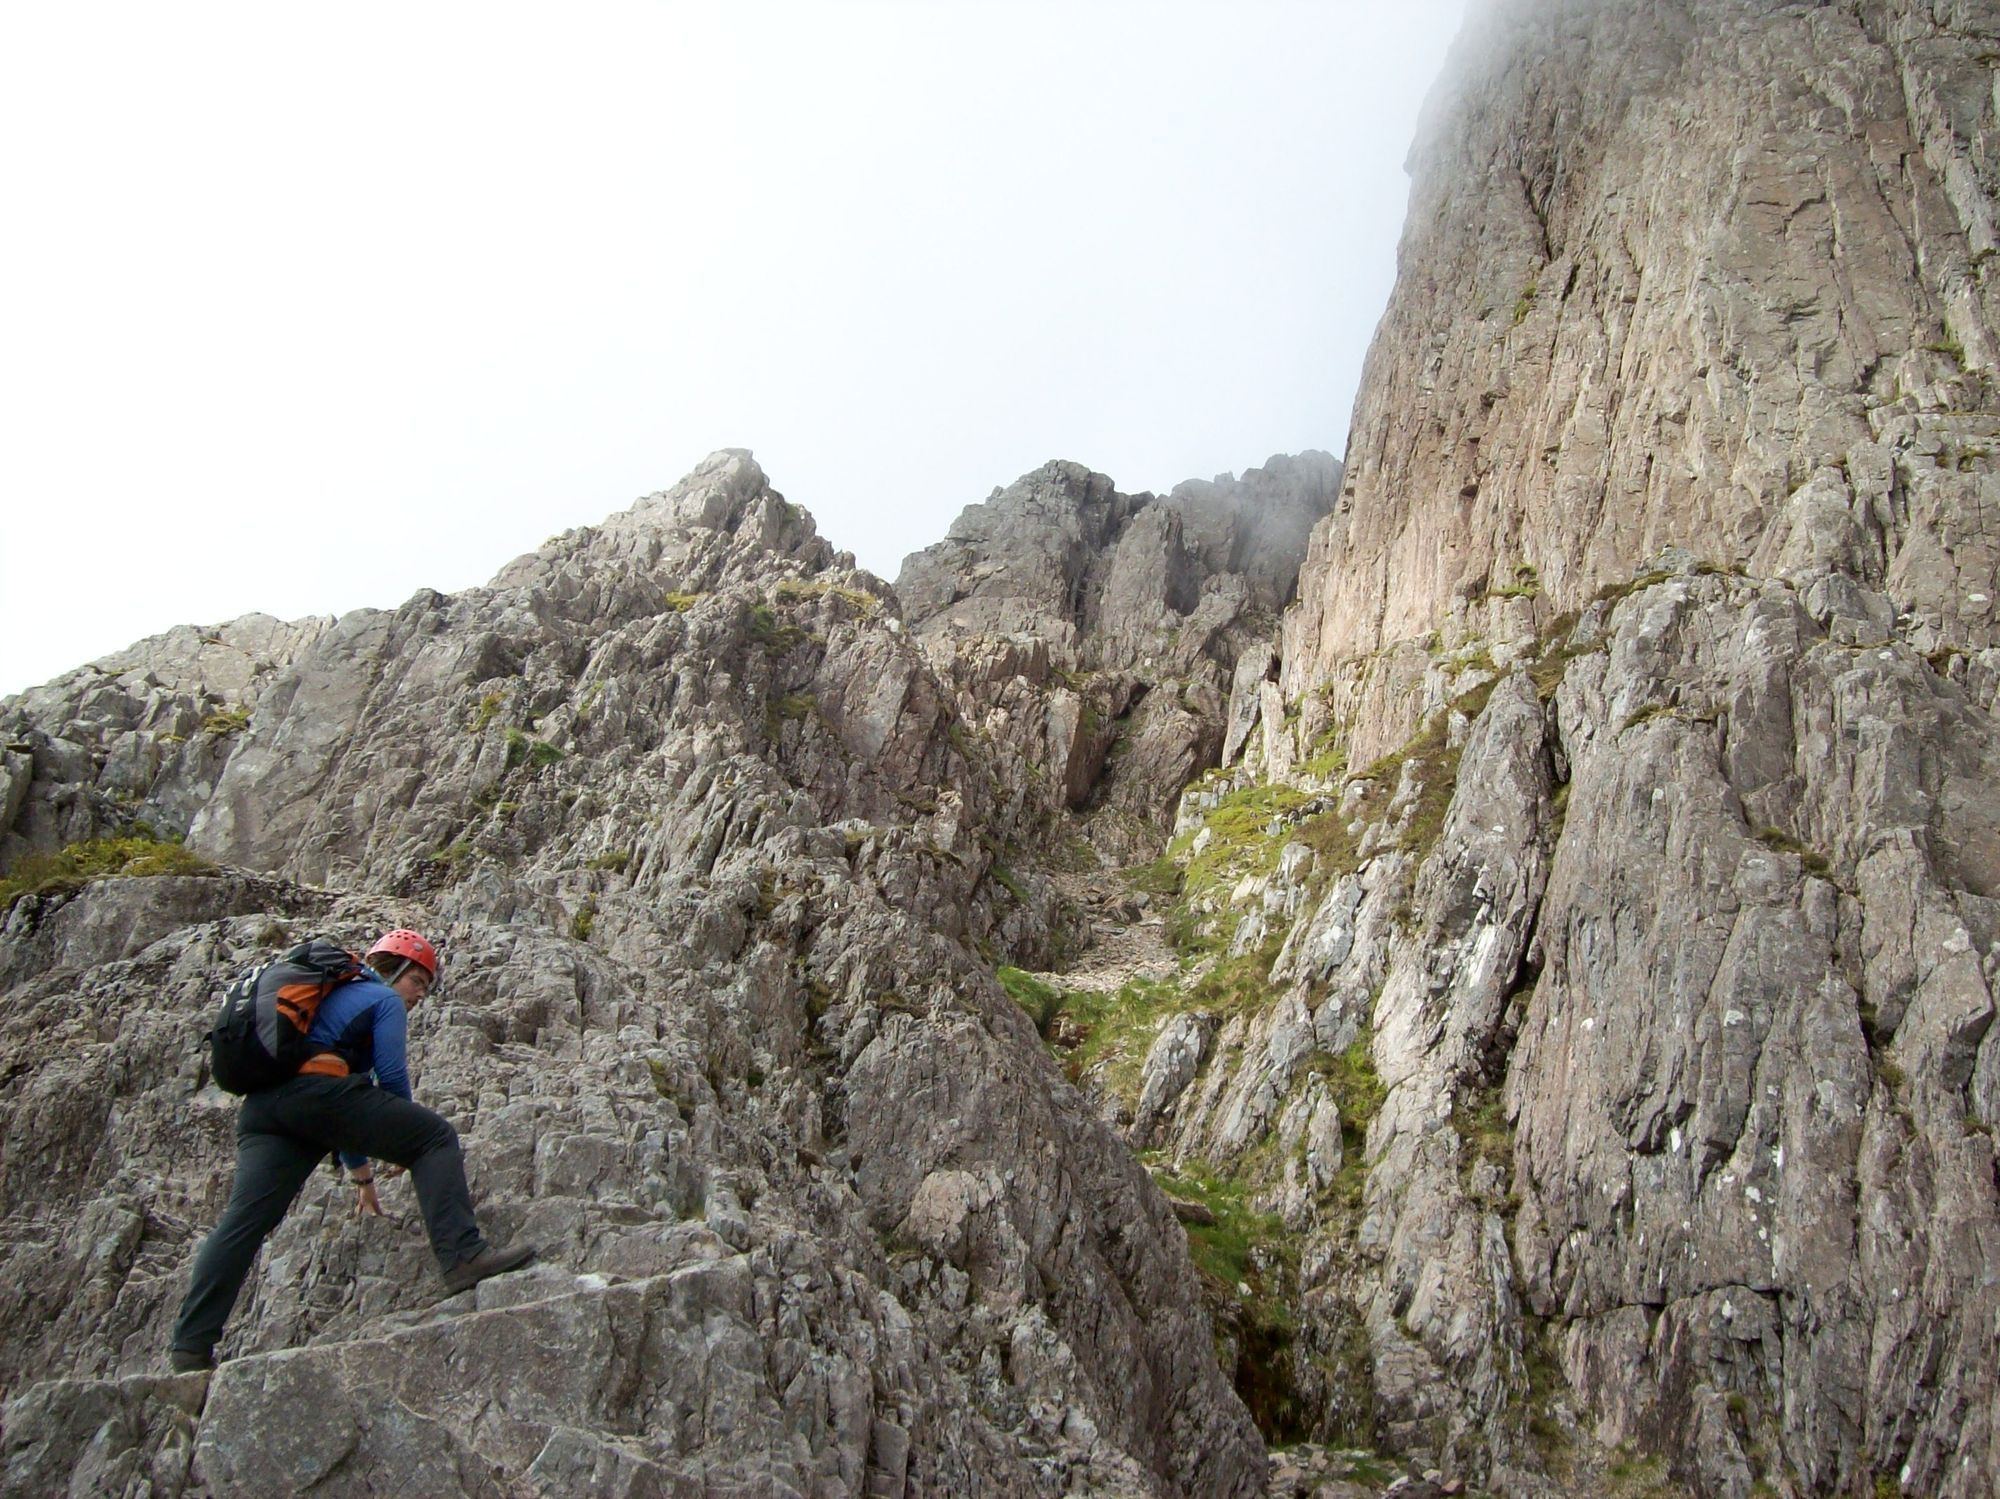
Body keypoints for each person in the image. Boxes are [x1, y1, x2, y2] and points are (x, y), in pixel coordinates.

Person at [167, 928, 534, 1373]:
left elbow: (341, 1110)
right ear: (394, 969)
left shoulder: (332, 1002)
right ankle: (463, 1257)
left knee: (243, 1223)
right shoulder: (382, 1000)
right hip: (316, 1098)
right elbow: (391, 1078)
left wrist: (361, 1176)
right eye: (417, 981)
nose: (420, 994)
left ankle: (190, 1347)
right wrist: (399, 1140)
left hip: (265, 1111)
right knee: (434, 1138)